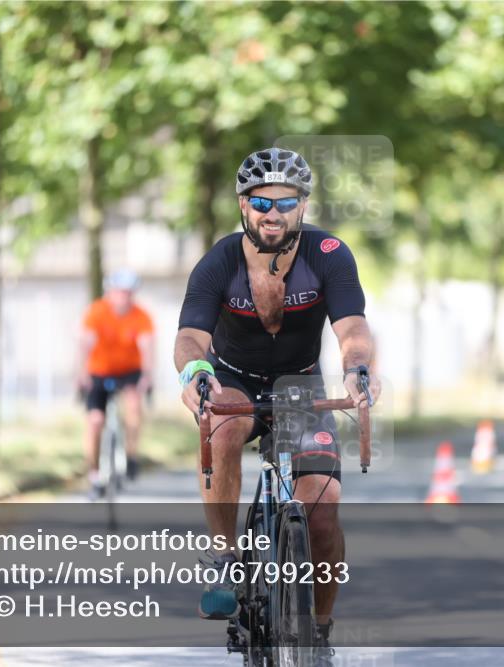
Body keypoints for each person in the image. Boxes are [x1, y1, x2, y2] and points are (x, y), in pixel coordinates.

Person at [174, 147, 380, 665]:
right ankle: (224, 555)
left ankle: (322, 632)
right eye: (261, 201)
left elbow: (352, 329)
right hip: (234, 380)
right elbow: (191, 338)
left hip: (300, 385)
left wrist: (358, 370)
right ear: (243, 206)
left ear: (303, 206)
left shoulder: (329, 253)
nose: (273, 213)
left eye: (285, 202)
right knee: (222, 430)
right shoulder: (219, 260)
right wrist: (196, 374)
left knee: (324, 512)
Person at [78, 269, 154, 497]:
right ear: (110, 292)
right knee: (95, 421)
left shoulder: (141, 316)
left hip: (129, 371)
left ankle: (131, 456)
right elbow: (85, 342)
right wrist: (81, 373)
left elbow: (147, 345)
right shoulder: (97, 312)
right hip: (99, 371)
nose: (124, 298)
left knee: (133, 406)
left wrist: (147, 376)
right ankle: (94, 474)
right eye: (120, 292)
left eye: (128, 293)